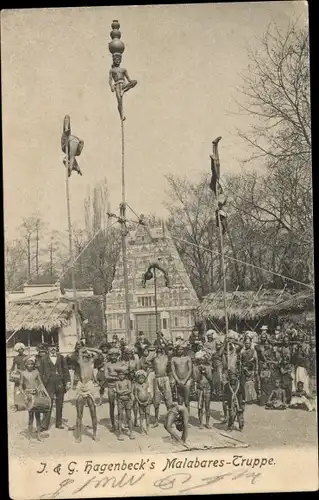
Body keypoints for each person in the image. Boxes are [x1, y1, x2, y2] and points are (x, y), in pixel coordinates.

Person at [37, 344, 71, 431]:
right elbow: (40, 373)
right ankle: (44, 425)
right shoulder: (43, 359)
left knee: (60, 402)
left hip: (60, 381)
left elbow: (66, 370)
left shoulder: (61, 358)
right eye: (51, 348)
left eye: (54, 348)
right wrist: (40, 385)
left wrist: (68, 382)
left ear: (56, 349)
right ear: (48, 349)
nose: (53, 349)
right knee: (49, 402)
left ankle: (59, 423)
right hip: (49, 382)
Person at [74, 347, 101, 443]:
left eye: (87, 356)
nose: (86, 357)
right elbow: (80, 351)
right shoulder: (81, 362)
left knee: (93, 411)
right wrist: (83, 349)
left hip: (89, 386)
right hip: (81, 386)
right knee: (79, 413)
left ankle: (94, 434)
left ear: (90, 357)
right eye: (84, 356)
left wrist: (89, 349)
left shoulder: (91, 362)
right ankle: (78, 436)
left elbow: (99, 352)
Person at [19, 356, 49, 441]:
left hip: (36, 395)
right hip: (28, 397)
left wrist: (41, 390)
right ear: (26, 364)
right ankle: (29, 435)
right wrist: (24, 394)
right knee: (30, 416)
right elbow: (21, 386)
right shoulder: (23, 373)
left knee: (38, 416)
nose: (30, 365)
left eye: (32, 364)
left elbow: (40, 383)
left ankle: (39, 435)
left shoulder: (36, 372)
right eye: (29, 364)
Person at [109, 52, 137, 121]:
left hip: (124, 84)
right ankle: (122, 116)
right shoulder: (112, 70)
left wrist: (131, 83)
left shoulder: (123, 70)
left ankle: (124, 91)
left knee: (135, 81)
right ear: (114, 60)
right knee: (119, 101)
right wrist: (111, 87)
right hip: (117, 85)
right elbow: (110, 80)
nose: (117, 61)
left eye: (119, 59)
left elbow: (129, 79)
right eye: (116, 59)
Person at [152, 344, 173, 427]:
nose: (159, 349)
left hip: (165, 379)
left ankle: (169, 420)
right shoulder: (154, 358)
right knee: (156, 401)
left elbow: (170, 370)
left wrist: (171, 379)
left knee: (168, 400)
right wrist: (153, 353)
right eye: (158, 348)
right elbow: (147, 360)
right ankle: (156, 421)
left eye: (161, 348)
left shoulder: (167, 357)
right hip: (157, 379)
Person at [104, 348, 124, 432]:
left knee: (121, 406)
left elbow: (124, 375)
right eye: (112, 355)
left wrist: (113, 376)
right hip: (111, 386)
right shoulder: (107, 364)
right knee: (111, 405)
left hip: (120, 386)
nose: (114, 357)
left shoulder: (121, 364)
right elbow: (106, 376)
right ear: (110, 356)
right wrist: (116, 377)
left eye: (115, 355)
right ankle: (113, 424)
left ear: (118, 356)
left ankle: (120, 424)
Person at [193, 351, 213, 429]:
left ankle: (207, 423)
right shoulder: (195, 367)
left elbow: (210, 378)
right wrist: (200, 372)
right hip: (199, 388)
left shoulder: (208, 366)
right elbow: (195, 378)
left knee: (207, 406)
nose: (201, 361)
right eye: (200, 359)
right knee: (200, 406)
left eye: (202, 359)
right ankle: (201, 423)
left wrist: (205, 372)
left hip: (207, 387)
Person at [171, 345, 193, 414]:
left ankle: (187, 418)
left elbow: (190, 370)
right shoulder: (173, 359)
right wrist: (178, 381)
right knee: (180, 401)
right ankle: (181, 418)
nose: (179, 351)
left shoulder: (187, 358)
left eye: (181, 349)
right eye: (178, 349)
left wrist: (185, 380)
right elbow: (173, 371)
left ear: (183, 350)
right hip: (178, 380)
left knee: (186, 401)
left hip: (187, 381)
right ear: (176, 350)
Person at [114, 371, 135, 441]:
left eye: (123, 374)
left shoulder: (128, 381)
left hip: (127, 400)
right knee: (120, 417)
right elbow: (117, 391)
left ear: (125, 375)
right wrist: (124, 392)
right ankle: (120, 433)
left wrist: (122, 392)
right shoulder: (117, 382)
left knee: (129, 416)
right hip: (120, 401)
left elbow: (129, 390)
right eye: (120, 375)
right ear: (118, 375)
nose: (121, 376)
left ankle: (131, 432)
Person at [238, 336, 258, 404]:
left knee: (252, 384)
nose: (247, 344)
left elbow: (256, 360)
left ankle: (253, 398)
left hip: (251, 369)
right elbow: (240, 361)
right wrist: (242, 368)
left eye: (249, 343)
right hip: (244, 369)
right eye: (246, 343)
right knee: (245, 384)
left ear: (250, 343)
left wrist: (256, 370)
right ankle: (246, 399)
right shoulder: (242, 352)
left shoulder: (253, 351)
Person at [134, 370, 152, 434]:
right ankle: (141, 429)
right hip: (140, 403)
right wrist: (139, 402)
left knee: (147, 415)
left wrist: (147, 401)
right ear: (137, 379)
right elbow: (136, 395)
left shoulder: (147, 385)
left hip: (147, 403)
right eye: (140, 378)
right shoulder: (136, 386)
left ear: (144, 378)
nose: (141, 379)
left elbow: (149, 394)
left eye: (142, 378)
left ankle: (147, 428)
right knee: (141, 416)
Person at [10, 343, 27, 411]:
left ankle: (27, 405)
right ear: (17, 350)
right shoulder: (16, 358)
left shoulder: (27, 356)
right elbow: (13, 366)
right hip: (19, 375)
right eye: (19, 350)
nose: (21, 350)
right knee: (16, 390)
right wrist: (11, 372)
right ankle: (16, 406)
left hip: (26, 375)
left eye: (22, 349)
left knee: (26, 389)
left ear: (23, 349)